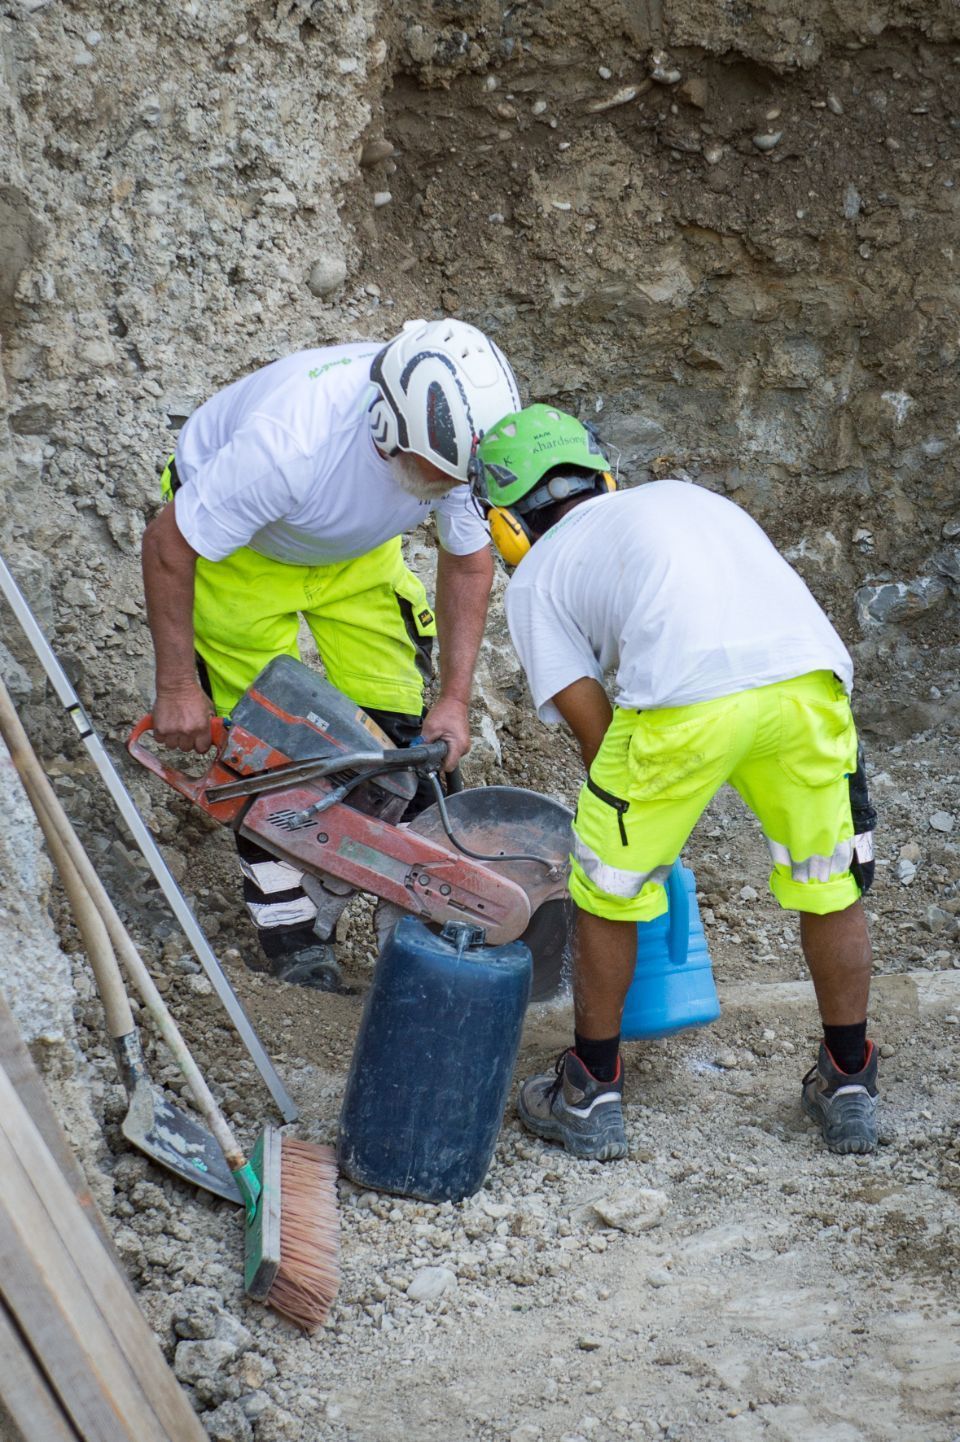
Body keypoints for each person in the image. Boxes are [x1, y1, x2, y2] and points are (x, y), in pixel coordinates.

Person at [471, 403, 879, 1158]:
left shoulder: (536, 581)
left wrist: (646, 835)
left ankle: (589, 1092)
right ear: (602, 476)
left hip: (683, 704)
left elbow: (599, 742)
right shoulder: (688, 498)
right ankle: (850, 1078)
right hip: (809, 682)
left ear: (506, 523)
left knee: (607, 886)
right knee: (830, 879)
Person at [141, 318, 520, 989]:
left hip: (357, 558)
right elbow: (169, 547)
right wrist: (177, 686)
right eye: (433, 475)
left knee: (406, 738)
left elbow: (467, 563)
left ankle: (431, 907)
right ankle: (291, 934)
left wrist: (455, 700)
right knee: (269, 750)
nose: (446, 487)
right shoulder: (290, 445)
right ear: (385, 429)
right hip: (241, 555)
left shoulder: (463, 449)